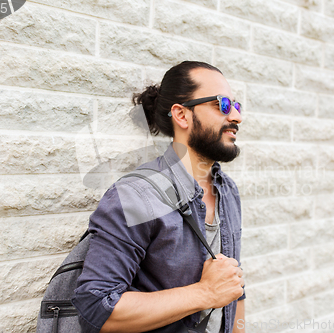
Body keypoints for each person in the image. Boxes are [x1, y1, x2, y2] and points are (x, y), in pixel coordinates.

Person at [72, 61, 245, 333]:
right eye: (222, 104)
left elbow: (232, 286)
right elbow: (97, 306)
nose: (236, 117)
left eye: (237, 106)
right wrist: (205, 294)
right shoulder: (136, 196)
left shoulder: (227, 189)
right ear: (182, 115)